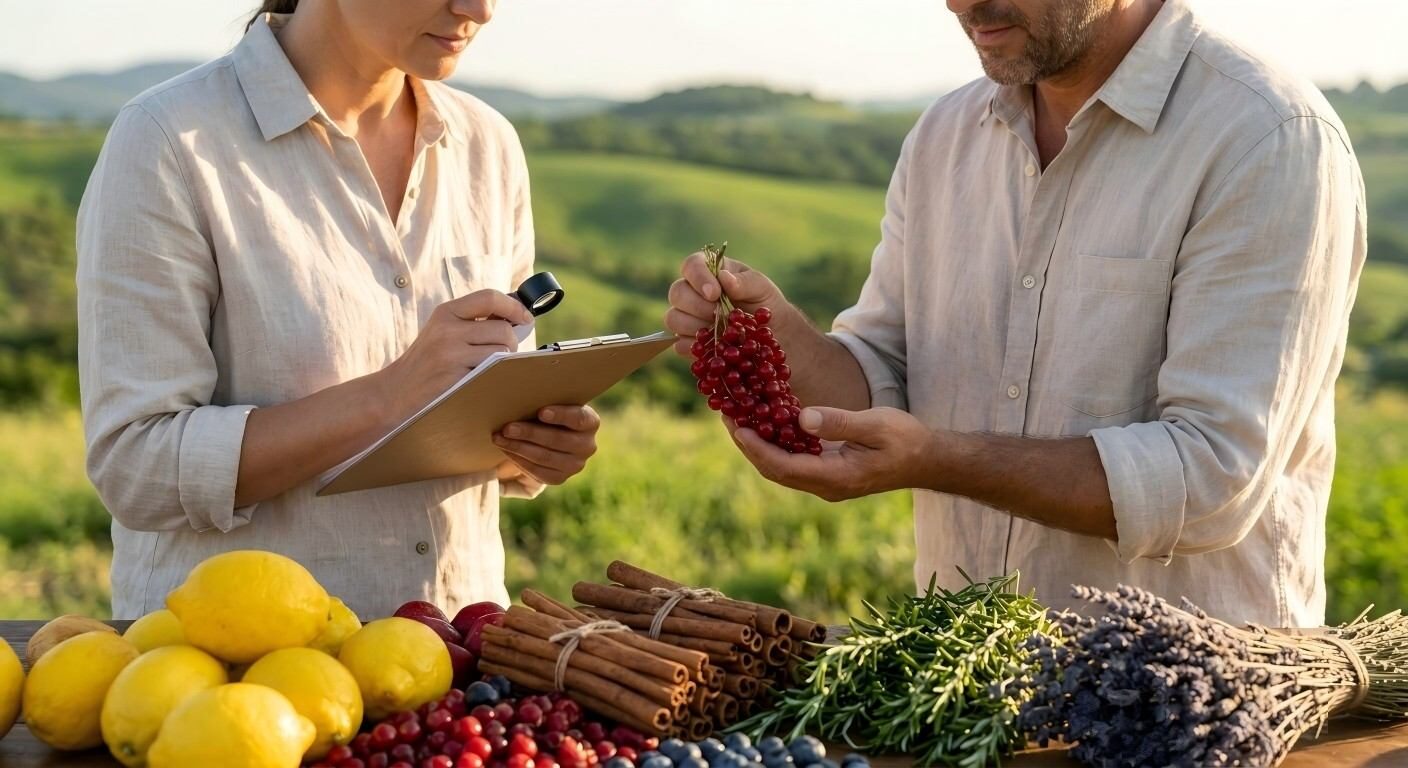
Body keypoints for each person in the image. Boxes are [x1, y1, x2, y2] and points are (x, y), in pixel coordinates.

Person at [666, 0, 1365, 627]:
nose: (962, 3)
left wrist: (938, 461)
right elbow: (884, 375)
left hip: (1192, 707)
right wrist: (779, 333)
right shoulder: (945, 136)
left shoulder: (1266, 136)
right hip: (965, 697)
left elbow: (1213, 477)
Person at [77, 0, 601, 620]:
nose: (480, 10)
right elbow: (136, 467)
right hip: (245, 678)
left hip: (462, 669)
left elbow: (479, 404)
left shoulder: (489, 146)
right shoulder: (167, 140)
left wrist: (530, 444)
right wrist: (391, 394)